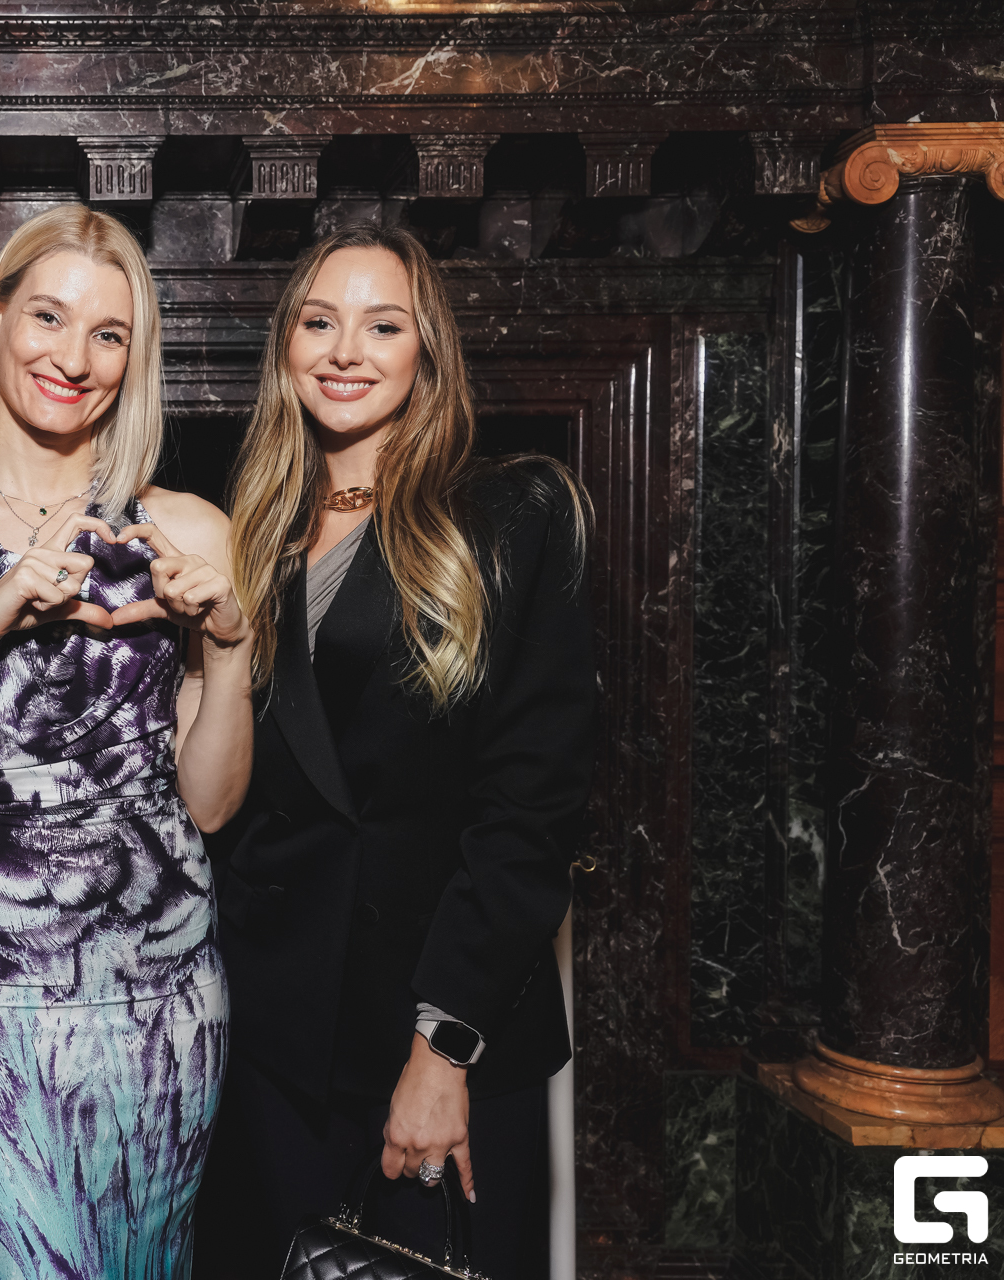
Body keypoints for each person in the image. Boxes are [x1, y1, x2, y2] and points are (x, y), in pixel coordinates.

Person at [0, 205, 254, 1279]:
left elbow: (210, 806)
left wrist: (231, 646)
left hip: (166, 989)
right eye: (50, 317)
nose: (74, 358)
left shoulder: (191, 530)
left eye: (109, 334)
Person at [199, 223, 593, 1280]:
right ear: (286, 346)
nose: (345, 351)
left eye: (383, 326)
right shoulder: (246, 531)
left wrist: (443, 1045)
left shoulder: (510, 515)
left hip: (443, 1026)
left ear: (429, 352)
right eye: (318, 323)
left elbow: (531, 809)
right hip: (274, 1039)